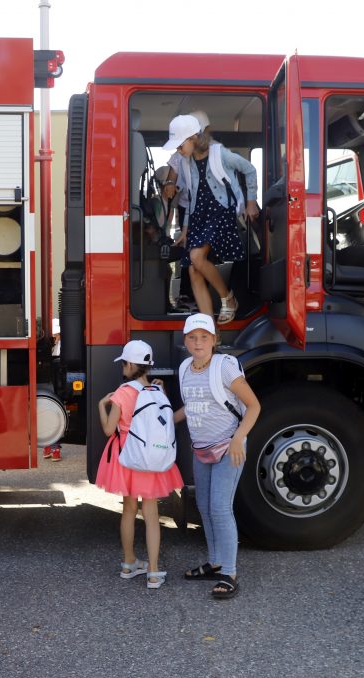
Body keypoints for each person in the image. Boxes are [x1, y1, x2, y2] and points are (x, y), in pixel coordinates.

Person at [173, 313, 261, 598]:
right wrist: (160, 422)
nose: (198, 343)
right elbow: (192, 406)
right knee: (204, 507)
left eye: (204, 337)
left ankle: (230, 573)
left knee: (221, 508)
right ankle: (214, 562)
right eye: (192, 337)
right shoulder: (185, 368)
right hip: (201, 449)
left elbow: (254, 406)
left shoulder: (224, 367)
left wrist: (239, 439)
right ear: (185, 340)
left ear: (214, 340)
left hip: (228, 447)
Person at [95, 340, 184, 588]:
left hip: (127, 458)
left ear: (131, 364)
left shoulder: (123, 392)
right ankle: (154, 572)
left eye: (123, 362)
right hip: (151, 458)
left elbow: (107, 429)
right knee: (152, 515)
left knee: (129, 511)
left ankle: (129, 563)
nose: (122, 367)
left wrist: (102, 405)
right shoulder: (157, 392)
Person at [162, 114, 259, 324]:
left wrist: (251, 201)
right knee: (193, 270)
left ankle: (228, 298)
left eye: (180, 145)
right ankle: (210, 330)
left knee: (197, 257)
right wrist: (186, 227)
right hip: (199, 215)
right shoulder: (186, 162)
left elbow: (249, 170)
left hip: (220, 212)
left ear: (194, 138)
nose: (178, 151)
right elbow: (192, 197)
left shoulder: (220, 153)